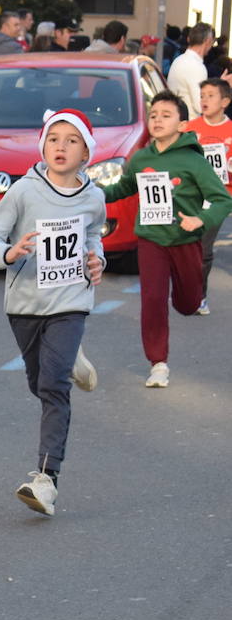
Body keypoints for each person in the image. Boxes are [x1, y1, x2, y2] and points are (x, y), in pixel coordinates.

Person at [0, 110, 107, 516]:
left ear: (86, 151)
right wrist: (9, 253)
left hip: (71, 302)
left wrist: (97, 260)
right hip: (25, 304)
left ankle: (46, 479)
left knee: (53, 386)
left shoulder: (93, 196)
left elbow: (93, 235)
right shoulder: (23, 193)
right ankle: (70, 361)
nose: (61, 147)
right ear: (42, 146)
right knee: (40, 380)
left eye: (71, 140)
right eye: (54, 139)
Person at [101, 91, 232, 387]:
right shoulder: (141, 158)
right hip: (151, 238)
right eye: (154, 115)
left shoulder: (193, 161)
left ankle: (190, 297)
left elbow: (222, 200)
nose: (158, 120)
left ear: (183, 125)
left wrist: (202, 219)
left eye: (166, 115)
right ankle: (158, 363)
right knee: (152, 298)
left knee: (188, 303)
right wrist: (94, 192)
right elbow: (123, 188)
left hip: (185, 240)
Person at [182, 77, 232, 314]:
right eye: (202, 95)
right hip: (191, 196)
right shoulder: (190, 129)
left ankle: (199, 295)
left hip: (217, 198)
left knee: (204, 248)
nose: (204, 100)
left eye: (211, 96)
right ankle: (186, 289)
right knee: (187, 246)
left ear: (225, 101)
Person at [168, 24, 215, 117]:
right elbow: (201, 106)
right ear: (208, 41)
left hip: (178, 121)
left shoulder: (179, 60)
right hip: (190, 126)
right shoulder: (196, 66)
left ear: (188, 39)